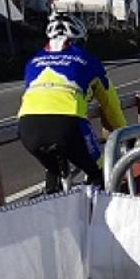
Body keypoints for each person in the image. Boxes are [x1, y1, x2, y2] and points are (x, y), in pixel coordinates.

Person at [18, 13, 127, 194]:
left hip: (27, 127)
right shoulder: (88, 60)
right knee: (99, 171)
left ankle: (52, 204)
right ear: (79, 40)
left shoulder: (33, 61)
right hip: (68, 124)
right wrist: (123, 132)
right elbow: (110, 104)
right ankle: (97, 216)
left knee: (53, 170)